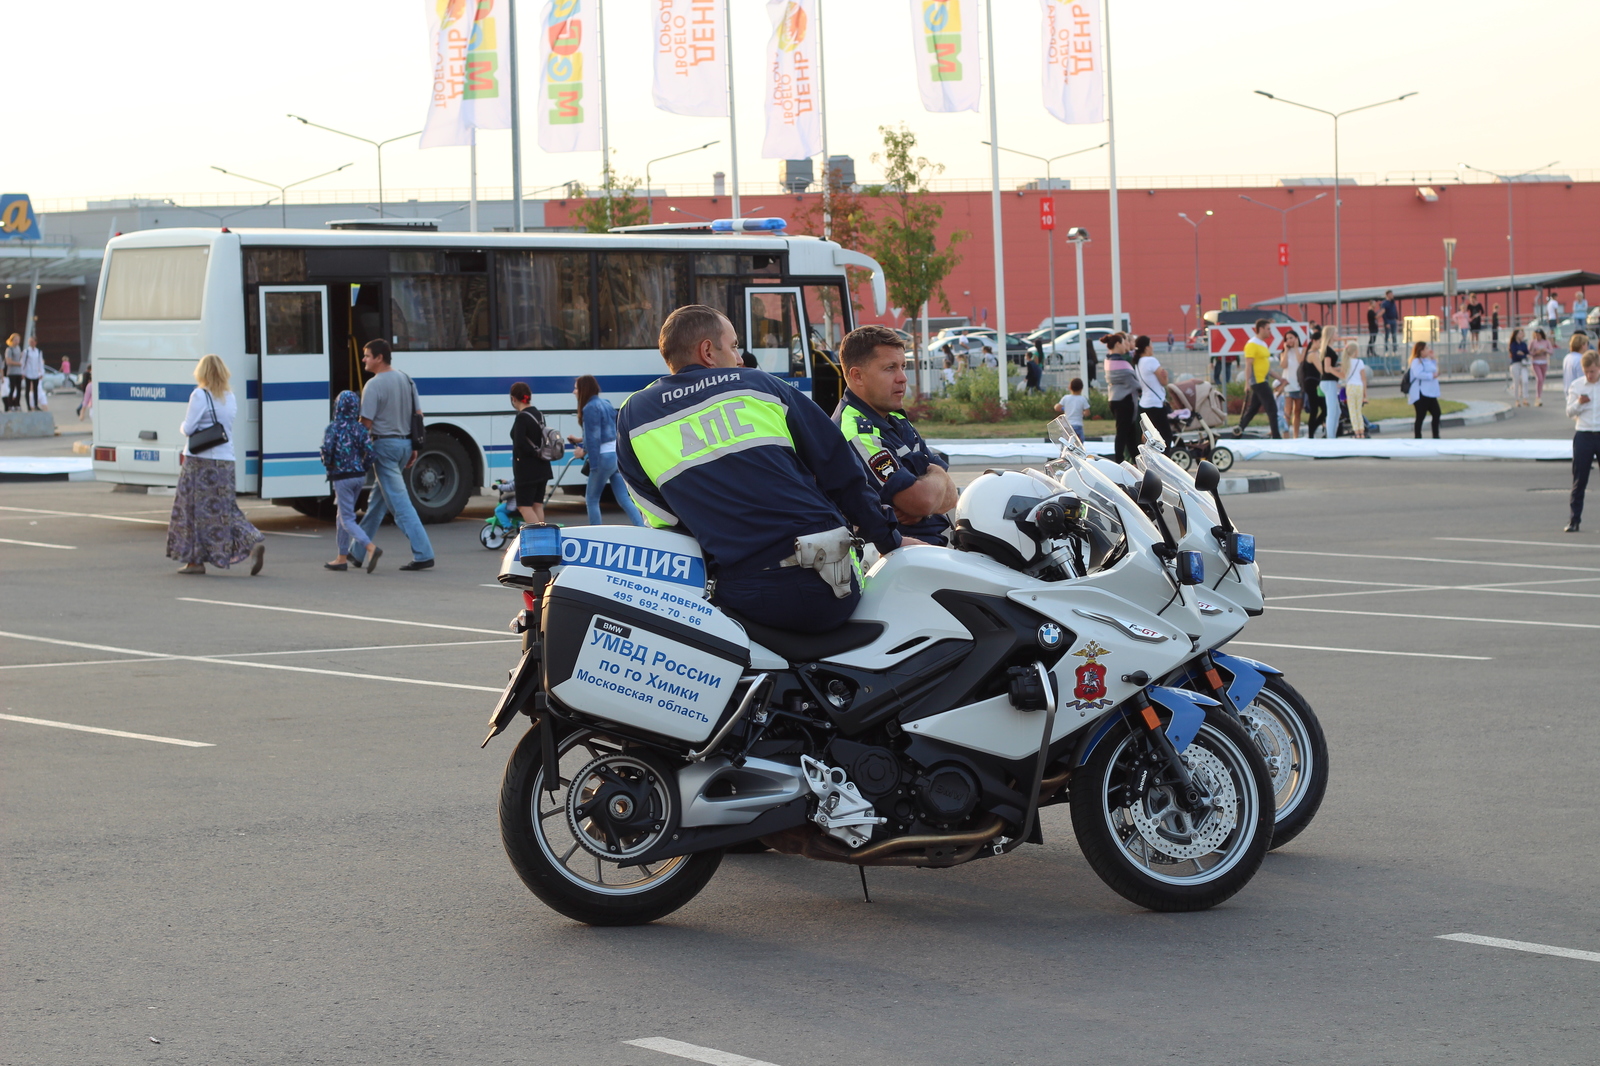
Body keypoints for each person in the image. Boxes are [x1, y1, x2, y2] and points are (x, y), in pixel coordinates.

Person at [616, 304, 900, 634]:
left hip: (747, 593)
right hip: (830, 585)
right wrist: (889, 540)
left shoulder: (633, 415)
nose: (739, 357)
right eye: (734, 345)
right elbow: (841, 470)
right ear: (708, 350)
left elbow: (660, 516)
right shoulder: (758, 384)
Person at [834, 325, 957, 547]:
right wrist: (935, 482)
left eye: (903, 366)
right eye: (890, 368)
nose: (902, 378)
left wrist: (930, 488)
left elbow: (951, 496)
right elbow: (922, 500)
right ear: (857, 376)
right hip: (900, 556)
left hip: (931, 547)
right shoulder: (856, 430)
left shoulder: (896, 420)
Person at [166, 354, 265, 576]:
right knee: (225, 509)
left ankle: (195, 561)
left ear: (202, 373)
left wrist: (181, 426)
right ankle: (252, 539)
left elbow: (189, 428)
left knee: (190, 510)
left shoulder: (199, 395)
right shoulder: (230, 397)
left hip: (199, 462)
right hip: (225, 461)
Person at [355, 339, 434, 572]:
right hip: (405, 445)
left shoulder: (373, 385)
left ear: (379, 358)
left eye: (367, 355)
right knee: (378, 502)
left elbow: (365, 422)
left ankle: (423, 553)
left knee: (400, 504)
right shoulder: (406, 379)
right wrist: (414, 447)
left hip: (384, 447)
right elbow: (418, 415)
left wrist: (357, 450)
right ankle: (356, 551)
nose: (364, 360)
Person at [566, 373, 643, 527]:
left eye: (576, 389)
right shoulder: (606, 403)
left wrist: (583, 451)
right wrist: (580, 440)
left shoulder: (589, 408)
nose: (574, 392)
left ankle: (597, 534)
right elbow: (608, 432)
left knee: (592, 499)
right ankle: (642, 527)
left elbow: (594, 437)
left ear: (583, 390)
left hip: (602, 458)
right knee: (624, 499)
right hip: (615, 456)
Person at [319, 390, 378, 572]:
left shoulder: (333, 428)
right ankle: (341, 557)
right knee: (342, 516)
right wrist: (362, 466)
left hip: (342, 477)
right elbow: (370, 452)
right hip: (358, 477)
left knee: (347, 519)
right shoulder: (360, 428)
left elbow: (327, 451)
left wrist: (329, 465)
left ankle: (370, 548)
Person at [508, 382, 556, 526]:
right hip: (543, 466)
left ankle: (540, 537)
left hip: (527, 470)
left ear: (513, 399)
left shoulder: (522, 418)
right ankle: (544, 539)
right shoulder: (539, 414)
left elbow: (519, 444)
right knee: (537, 505)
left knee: (524, 506)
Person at [1566, 350, 1600, 532]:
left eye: (1593, 371)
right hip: (1584, 434)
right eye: (1586, 371)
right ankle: (1574, 520)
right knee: (1580, 480)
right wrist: (1579, 403)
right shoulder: (1577, 385)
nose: (1589, 375)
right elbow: (1569, 412)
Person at [1232, 319, 1281, 439]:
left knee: (1252, 410)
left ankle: (1239, 431)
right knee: (1272, 409)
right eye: (1268, 329)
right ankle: (1276, 436)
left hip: (1263, 379)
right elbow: (1248, 365)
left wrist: (1281, 378)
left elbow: (1266, 366)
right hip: (1258, 381)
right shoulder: (1252, 344)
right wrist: (1247, 383)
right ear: (1261, 329)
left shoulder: (1263, 344)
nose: (1270, 332)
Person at [1103, 334, 1140, 462]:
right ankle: (1119, 460)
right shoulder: (1120, 364)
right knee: (1123, 433)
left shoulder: (1108, 361)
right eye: (1124, 343)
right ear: (1118, 344)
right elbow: (1134, 382)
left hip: (1114, 399)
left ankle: (1136, 460)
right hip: (1124, 400)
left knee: (1129, 433)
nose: (1126, 346)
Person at [1132, 335, 1172, 444]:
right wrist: (1166, 376)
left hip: (1145, 402)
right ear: (1146, 347)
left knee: (1148, 435)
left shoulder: (1138, 362)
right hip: (1156, 403)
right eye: (1151, 344)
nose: (1152, 347)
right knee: (1165, 436)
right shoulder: (1151, 361)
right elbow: (1164, 382)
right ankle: (1163, 459)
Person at [1407, 341, 1442, 439]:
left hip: (1430, 392)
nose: (1428, 350)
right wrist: (1431, 376)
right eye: (1426, 348)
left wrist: (1433, 358)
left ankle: (1436, 436)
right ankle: (1418, 437)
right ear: (1421, 350)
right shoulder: (1416, 361)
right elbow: (1418, 374)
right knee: (1421, 416)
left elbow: (1435, 370)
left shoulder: (1427, 361)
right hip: (1421, 393)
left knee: (1436, 413)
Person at [1280, 331, 1307, 439]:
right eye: (1287, 338)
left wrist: (1296, 348)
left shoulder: (1302, 350)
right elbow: (1283, 365)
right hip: (1288, 385)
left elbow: (1300, 361)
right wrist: (1286, 350)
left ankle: (1296, 435)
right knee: (1287, 411)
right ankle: (1286, 435)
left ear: (1296, 338)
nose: (1289, 340)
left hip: (1299, 384)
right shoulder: (1284, 352)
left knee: (1297, 411)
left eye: (1291, 338)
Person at [1342, 341, 1370, 438]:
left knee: (1352, 411)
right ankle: (1362, 432)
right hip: (1359, 387)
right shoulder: (1360, 362)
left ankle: (1356, 432)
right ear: (1355, 351)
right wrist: (1365, 393)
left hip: (1350, 387)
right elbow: (1363, 378)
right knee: (1358, 411)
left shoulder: (1345, 362)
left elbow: (1344, 375)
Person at [1318, 342, 1343, 440]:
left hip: (1330, 381)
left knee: (1337, 411)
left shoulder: (1328, 349)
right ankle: (1330, 437)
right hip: (1328, 381)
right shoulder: (1327, 350)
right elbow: (1327, 368)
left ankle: (1332, 435)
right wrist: (1339, 371)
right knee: (1332, 411)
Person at [1055, 377, 1090, 443]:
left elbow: (1057, 408)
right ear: (1081, 389)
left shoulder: (1066, 398)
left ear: (1070, 387)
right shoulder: (1082, 399)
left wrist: (1062, 408)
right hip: (1078, 425)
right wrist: (1083, 413)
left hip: (1067, 425)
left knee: (1066, 443)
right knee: (1078, 444)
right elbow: (1087, 413)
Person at [1530, 327, 1554, 407]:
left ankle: (1539, 396)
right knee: (1539, 378)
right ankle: (1538, 397)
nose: (1538, 337)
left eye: (1539, 335)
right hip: (1536, 362)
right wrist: (1536, 352)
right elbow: (1529, 352)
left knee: (1542, 380)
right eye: (1536, 335)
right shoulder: (1533, 342)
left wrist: (1545, 350)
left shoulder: (1546, 342)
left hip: (1544, 362)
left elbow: (1551, 351)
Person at [1508, 328, 1530, 407]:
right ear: (1516, 335)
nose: (1522, 335)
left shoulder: (1524, 344)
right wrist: (1521, 354)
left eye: (1522, 333)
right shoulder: (1513, 344)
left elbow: (1527, 353)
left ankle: (1525, 398)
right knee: (1516, 382)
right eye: (1520, 333)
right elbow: (1515, 354)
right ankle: (1517, 400)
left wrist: (1522, 354)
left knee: (1525, 381)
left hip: (1523, 364)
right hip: (1515, 364)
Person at [20, 336, 44, 411]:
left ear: (35, 342)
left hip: (35, 373)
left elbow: (40, 363)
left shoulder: (39, 351)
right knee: (27, 389)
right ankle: (28, 406)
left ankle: (36, 405)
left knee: (35, 389)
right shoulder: (26, 351)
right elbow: (23, 362)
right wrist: (22, 372)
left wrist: (41, 373)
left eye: (32, 341)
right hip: (28, 372)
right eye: (30, 342)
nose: (31, 343)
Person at [3, 333, 21, 411]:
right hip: (12, 372)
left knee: (19, 389)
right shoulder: (9, 350)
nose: (17, 341)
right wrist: (18, 364)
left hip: (19, 372)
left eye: (18, 340)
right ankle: (10, 404)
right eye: (15, 340)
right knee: (12, 388)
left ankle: (17, 404)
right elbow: (8, 361)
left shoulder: (18, 348)